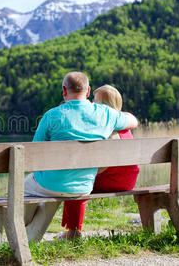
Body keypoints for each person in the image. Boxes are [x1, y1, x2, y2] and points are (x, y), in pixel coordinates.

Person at [24, 72, 138, 242]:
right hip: (83, 186)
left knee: (28, 185)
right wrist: (127, 116)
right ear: (88, 91)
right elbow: (133, 121)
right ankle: (30, 237)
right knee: (52, 190)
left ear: (64, 90)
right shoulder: (106, 114)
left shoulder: (51, 115)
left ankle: (21, 225)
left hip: (51, 183)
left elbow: (32, 154)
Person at [58, 84, 140, 239]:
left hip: (113, 180)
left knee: (76, 183)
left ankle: (73, 232)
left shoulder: (105, 126)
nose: (91, 105)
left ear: (102, 105)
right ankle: (70, 231)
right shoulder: (123, 123)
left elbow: (103, 165)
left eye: (94, 101)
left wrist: (85, 174)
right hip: (129, 180)